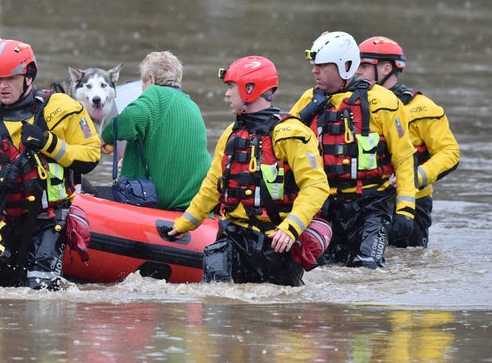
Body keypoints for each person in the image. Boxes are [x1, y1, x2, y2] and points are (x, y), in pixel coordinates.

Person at [167, 56, 329, 286]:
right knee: (215, 296)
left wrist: (291, 227)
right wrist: (184, 224)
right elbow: (213, 186)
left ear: (250, 89)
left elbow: (315, 186)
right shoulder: (231, 134)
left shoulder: (291, 133)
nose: (226, 94)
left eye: (231, 87)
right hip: (232, 237)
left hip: (275, 242)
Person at [0, 38, 101, 290]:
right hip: (7, 223)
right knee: (1, 296)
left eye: (9, 79)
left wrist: (49, 143)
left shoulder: (62, 108)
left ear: (29, 76)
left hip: (50, 221)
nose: (2, 86)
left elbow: (91, 156)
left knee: (40, 290)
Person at [289, 31, 417, 268]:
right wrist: (300, 119)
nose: (314, 71)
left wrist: (406, 210)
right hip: (326, 206)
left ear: (345, 66)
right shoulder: (308, 101)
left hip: (370, 206)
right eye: (313, 65)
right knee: (320, 269)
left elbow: (404, 157)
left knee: (368, 267)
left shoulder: (384, 102)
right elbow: (282, 149)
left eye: (321, 66)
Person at [356, 36, 459, 247]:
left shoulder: (423, 108)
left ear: (386, 69)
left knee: (407, 261)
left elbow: (449, 153)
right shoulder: (352, 104)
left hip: (413, 201)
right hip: (366, 201)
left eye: (364, 65)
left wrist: (416, 176)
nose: (357, 71)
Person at [100, 51, 211, 211]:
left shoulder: (155, 94)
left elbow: (129, 118)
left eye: (143, 83)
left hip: (165, 199)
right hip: (194, 199)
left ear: (151, 79)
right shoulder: (191, 105)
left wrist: (107, 137)